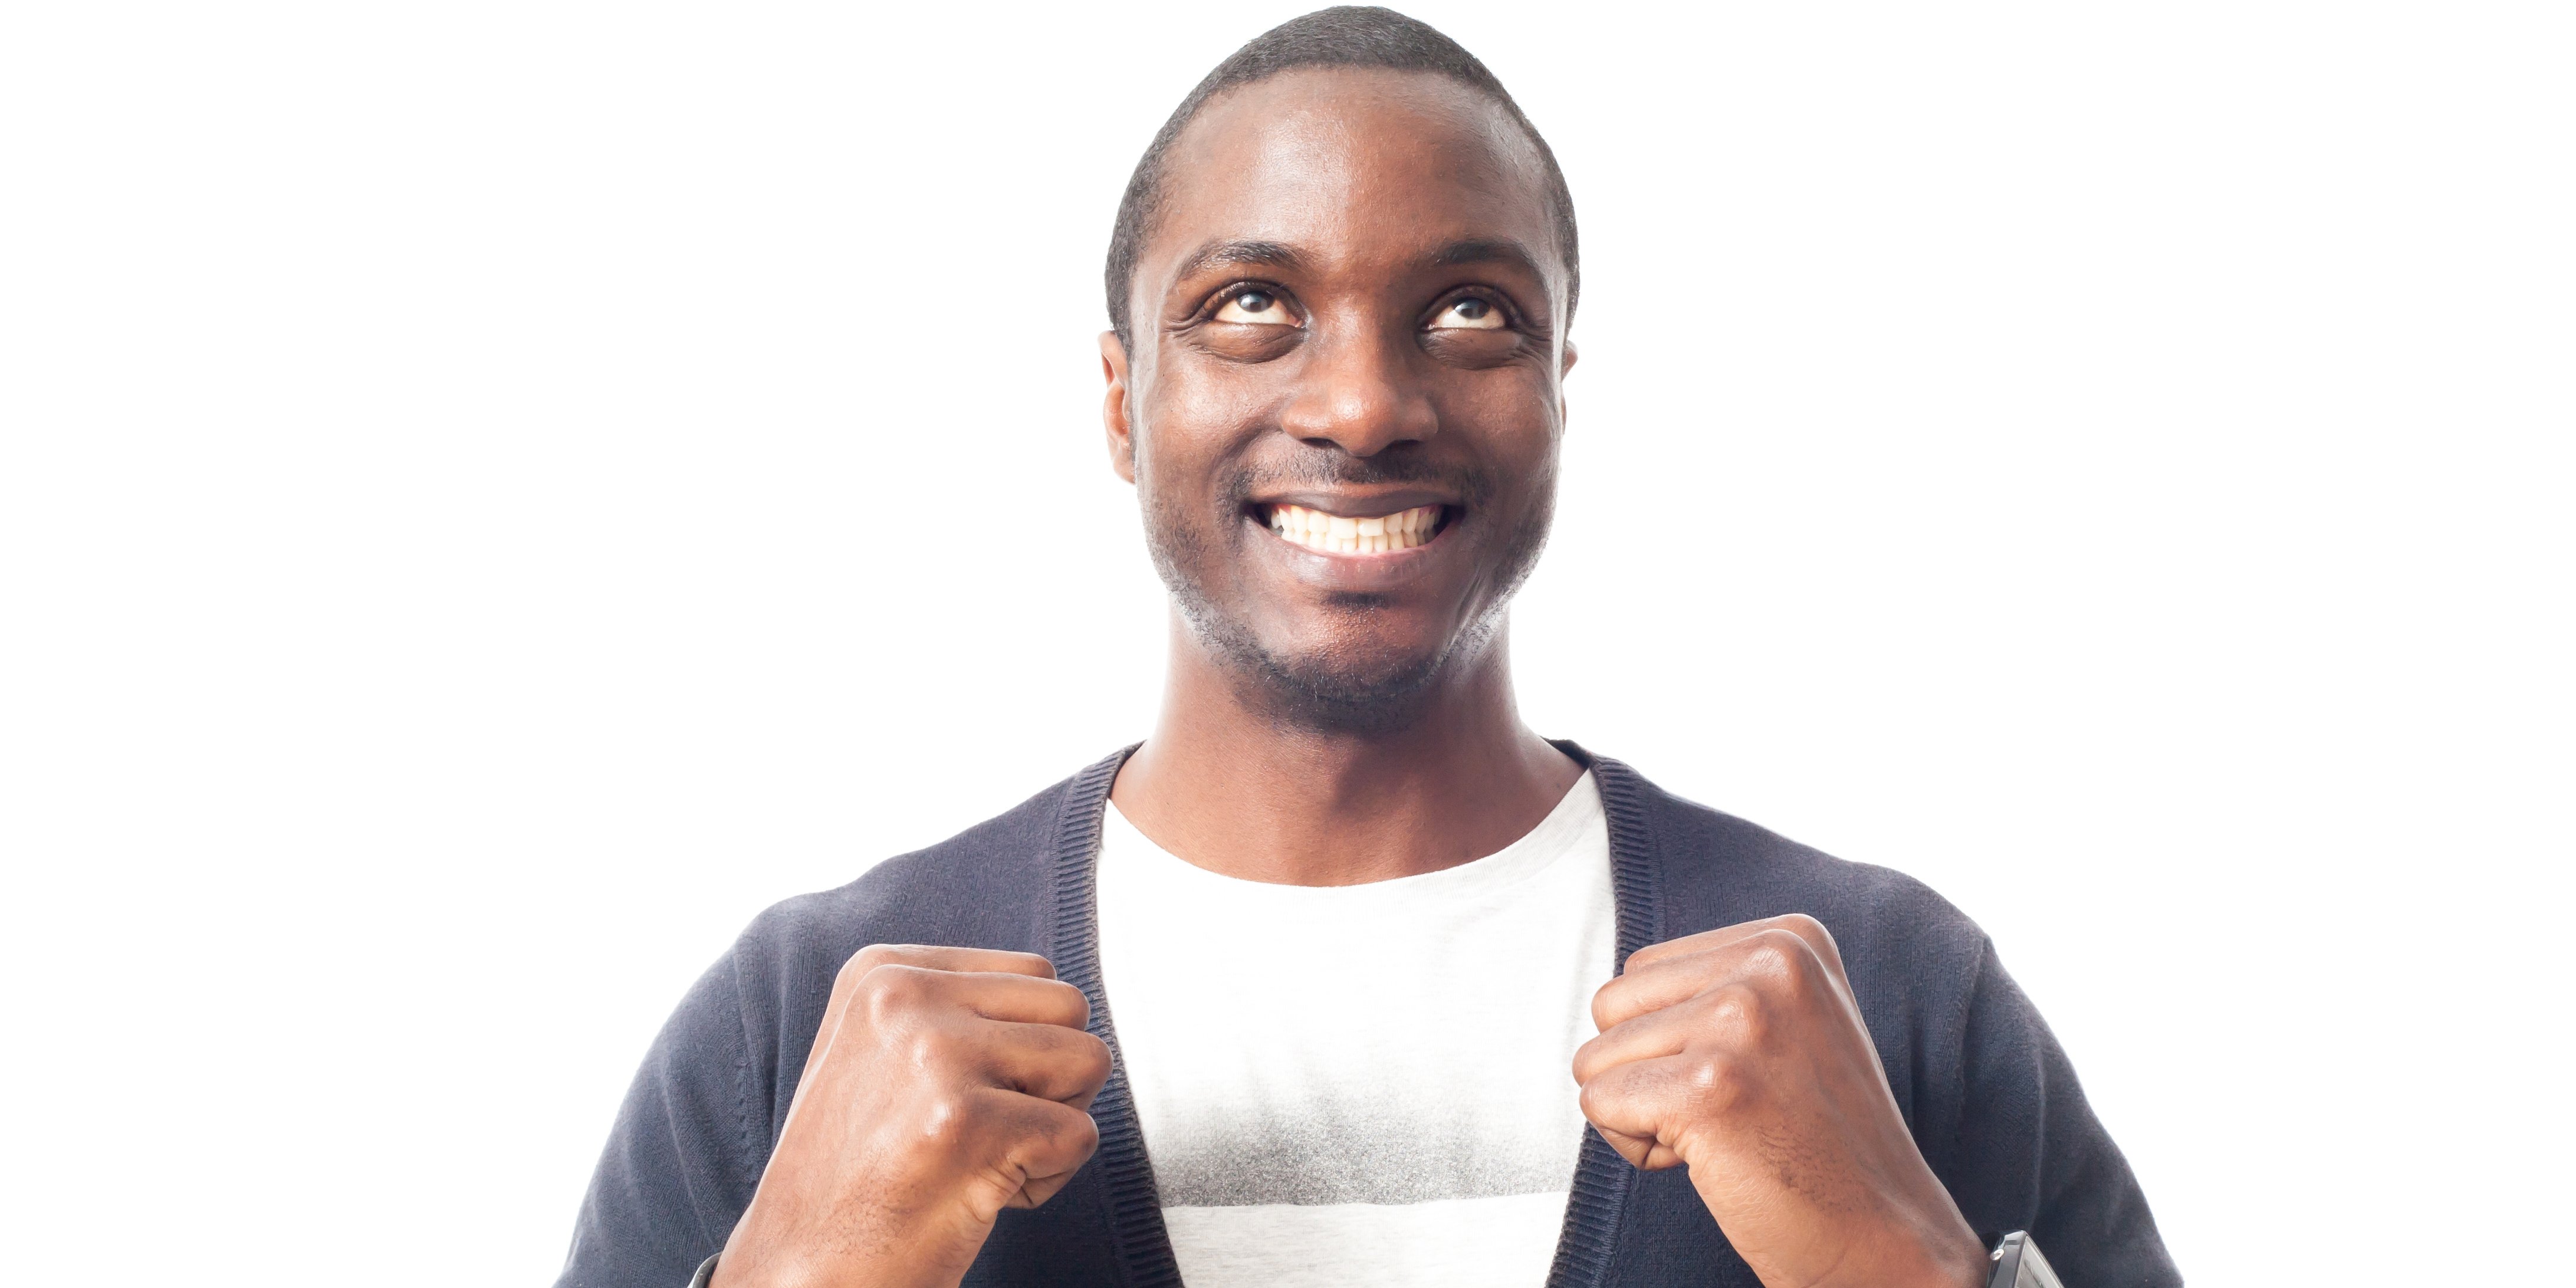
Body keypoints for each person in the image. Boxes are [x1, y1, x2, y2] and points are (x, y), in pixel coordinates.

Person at [556, 8, 2178, 1287]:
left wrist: (1906, 1273)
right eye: (1251, 303)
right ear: (1123, 401)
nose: (1359, 405)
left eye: (1473, 311)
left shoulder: (1888, 996)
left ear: (1560, 389)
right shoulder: (802, 1025)